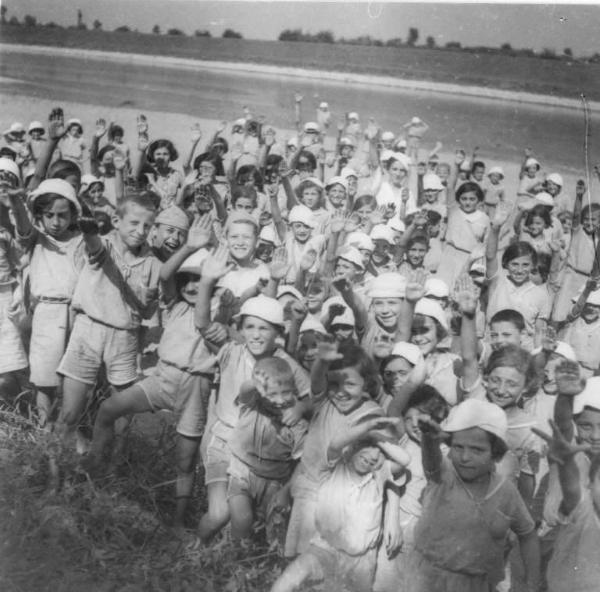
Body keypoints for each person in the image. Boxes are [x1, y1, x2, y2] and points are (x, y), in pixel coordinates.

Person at [83, 220, 214, 526]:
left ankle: (178, 521)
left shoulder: (217, 307)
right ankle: (94, 468)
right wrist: (191, 246)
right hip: (162, 377)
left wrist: (211, 276)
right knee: (108, 408)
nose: (193, 286)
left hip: (196, 386)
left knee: (185, 461)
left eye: (200, 281)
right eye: (188, 281)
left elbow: (209, 299)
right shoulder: (175, 305)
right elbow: (166, 274)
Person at [56, 193, 162, 452]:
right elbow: (96, 250)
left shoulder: (151, 262)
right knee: (69, 412)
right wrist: (90, 231)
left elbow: (147, 312)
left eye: (147, 226)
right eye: (134, 223)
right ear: (116, 220)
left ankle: (108, 472)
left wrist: (148, 299)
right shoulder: (102, 244)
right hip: (88, 330)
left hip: (124, 337)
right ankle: (54, 480)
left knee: (121, 415)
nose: (140, 231)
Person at [408, 398, 541, 592]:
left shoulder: (505, 492)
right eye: (458, 447)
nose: (464, 457)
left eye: (477, 450)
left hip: (476, 584)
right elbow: (431, 458)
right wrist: (429, 438)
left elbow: (528, 534)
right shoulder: (444, 476)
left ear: (495, 454)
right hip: (429, 581)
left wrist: (533, 583)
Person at [272, 419, 409, 592]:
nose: (373, 455)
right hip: (324, 550)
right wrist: (369, 430)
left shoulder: (378, 476)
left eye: (381, 451)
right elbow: (336, 443)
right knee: (287, 581)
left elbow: (404, 460)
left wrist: (376, 438)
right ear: (353, 446)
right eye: (368, 445)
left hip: (361, 561)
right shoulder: (333, 467)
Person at [7, 179, 85, 427]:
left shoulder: (83, 240)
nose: (55, 221)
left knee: (77, 377)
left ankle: (75, 429)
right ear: (39, 215)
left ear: (73, 213)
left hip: (78, 313)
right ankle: (45, 428)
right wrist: (16, 201)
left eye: (62, 215)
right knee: (45, 379)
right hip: (47, 314)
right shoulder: (36, 239)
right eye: (48, 215)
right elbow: (22, 226)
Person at [226, 357, 309, 540]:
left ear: (293, 389)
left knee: (274, 531)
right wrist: (256, 384)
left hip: (275, 480)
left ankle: (262, 561)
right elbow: (245, 390)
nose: (279, 400)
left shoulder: (296, 421)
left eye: (285, 393)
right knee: (242, 519)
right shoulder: (253, 402)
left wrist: (286, 491)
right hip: (243, 471)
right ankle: (235, 561)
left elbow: (302, 463)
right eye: (272, 394)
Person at [437, 182, 489, 292]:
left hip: (470, 258)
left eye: (472, 199)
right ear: (458, 199)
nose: (467, 202)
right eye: (464, 199)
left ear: (479, 200)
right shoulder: (454, 211)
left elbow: (486, 244)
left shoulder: (484, 219)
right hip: (450, 255)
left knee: (462, 290)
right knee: (443, 288)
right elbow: (450, 186)